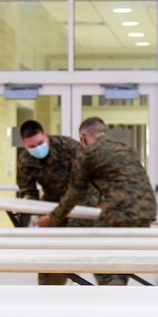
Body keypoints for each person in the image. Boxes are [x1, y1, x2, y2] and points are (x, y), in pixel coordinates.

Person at [38, 117, 156, 285]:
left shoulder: (88, 154)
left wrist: (52, 218)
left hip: (120, 211)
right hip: (147, 211)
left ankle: (115, 301)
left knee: (99, 260)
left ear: (83, 137)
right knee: (117, 262)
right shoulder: (125, 149)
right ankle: (117, 298)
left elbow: (74, 194)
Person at [16, 119, 98, 285]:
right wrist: (30, 203)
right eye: (31, 146)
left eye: (40, 143)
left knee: (72, 236)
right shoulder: (25, 159)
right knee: (49, 246)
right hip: (53, 201)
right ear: (24, 145)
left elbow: (91, 171)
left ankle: (89, 278)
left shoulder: (67, 147)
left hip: (83, 197)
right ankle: (50, 289)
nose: (37, 148)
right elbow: (27, 189)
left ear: (46, 135)